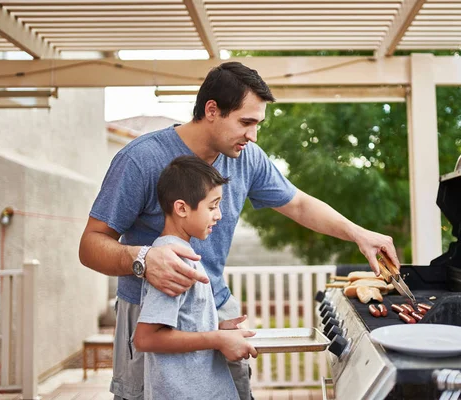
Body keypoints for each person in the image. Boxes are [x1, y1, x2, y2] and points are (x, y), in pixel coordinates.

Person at [79, 61, 400, 400]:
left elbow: (299, 204)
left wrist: (358, 233)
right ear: (212, 110)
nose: (253, 135)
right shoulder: (140, 159)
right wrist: (143, 258)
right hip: (150, 315)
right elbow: (90, 245)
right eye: (246, 122)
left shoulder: (247, 157)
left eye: (258, 124)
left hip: (214, 305)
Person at [133, 155, 257, 400]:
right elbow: (146, 338)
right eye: (212, 206)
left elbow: (180, 325)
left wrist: (217, 327)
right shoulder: (174, 262)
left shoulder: (183, 254)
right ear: (181, 208)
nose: (219, 215)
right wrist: (217, 338)